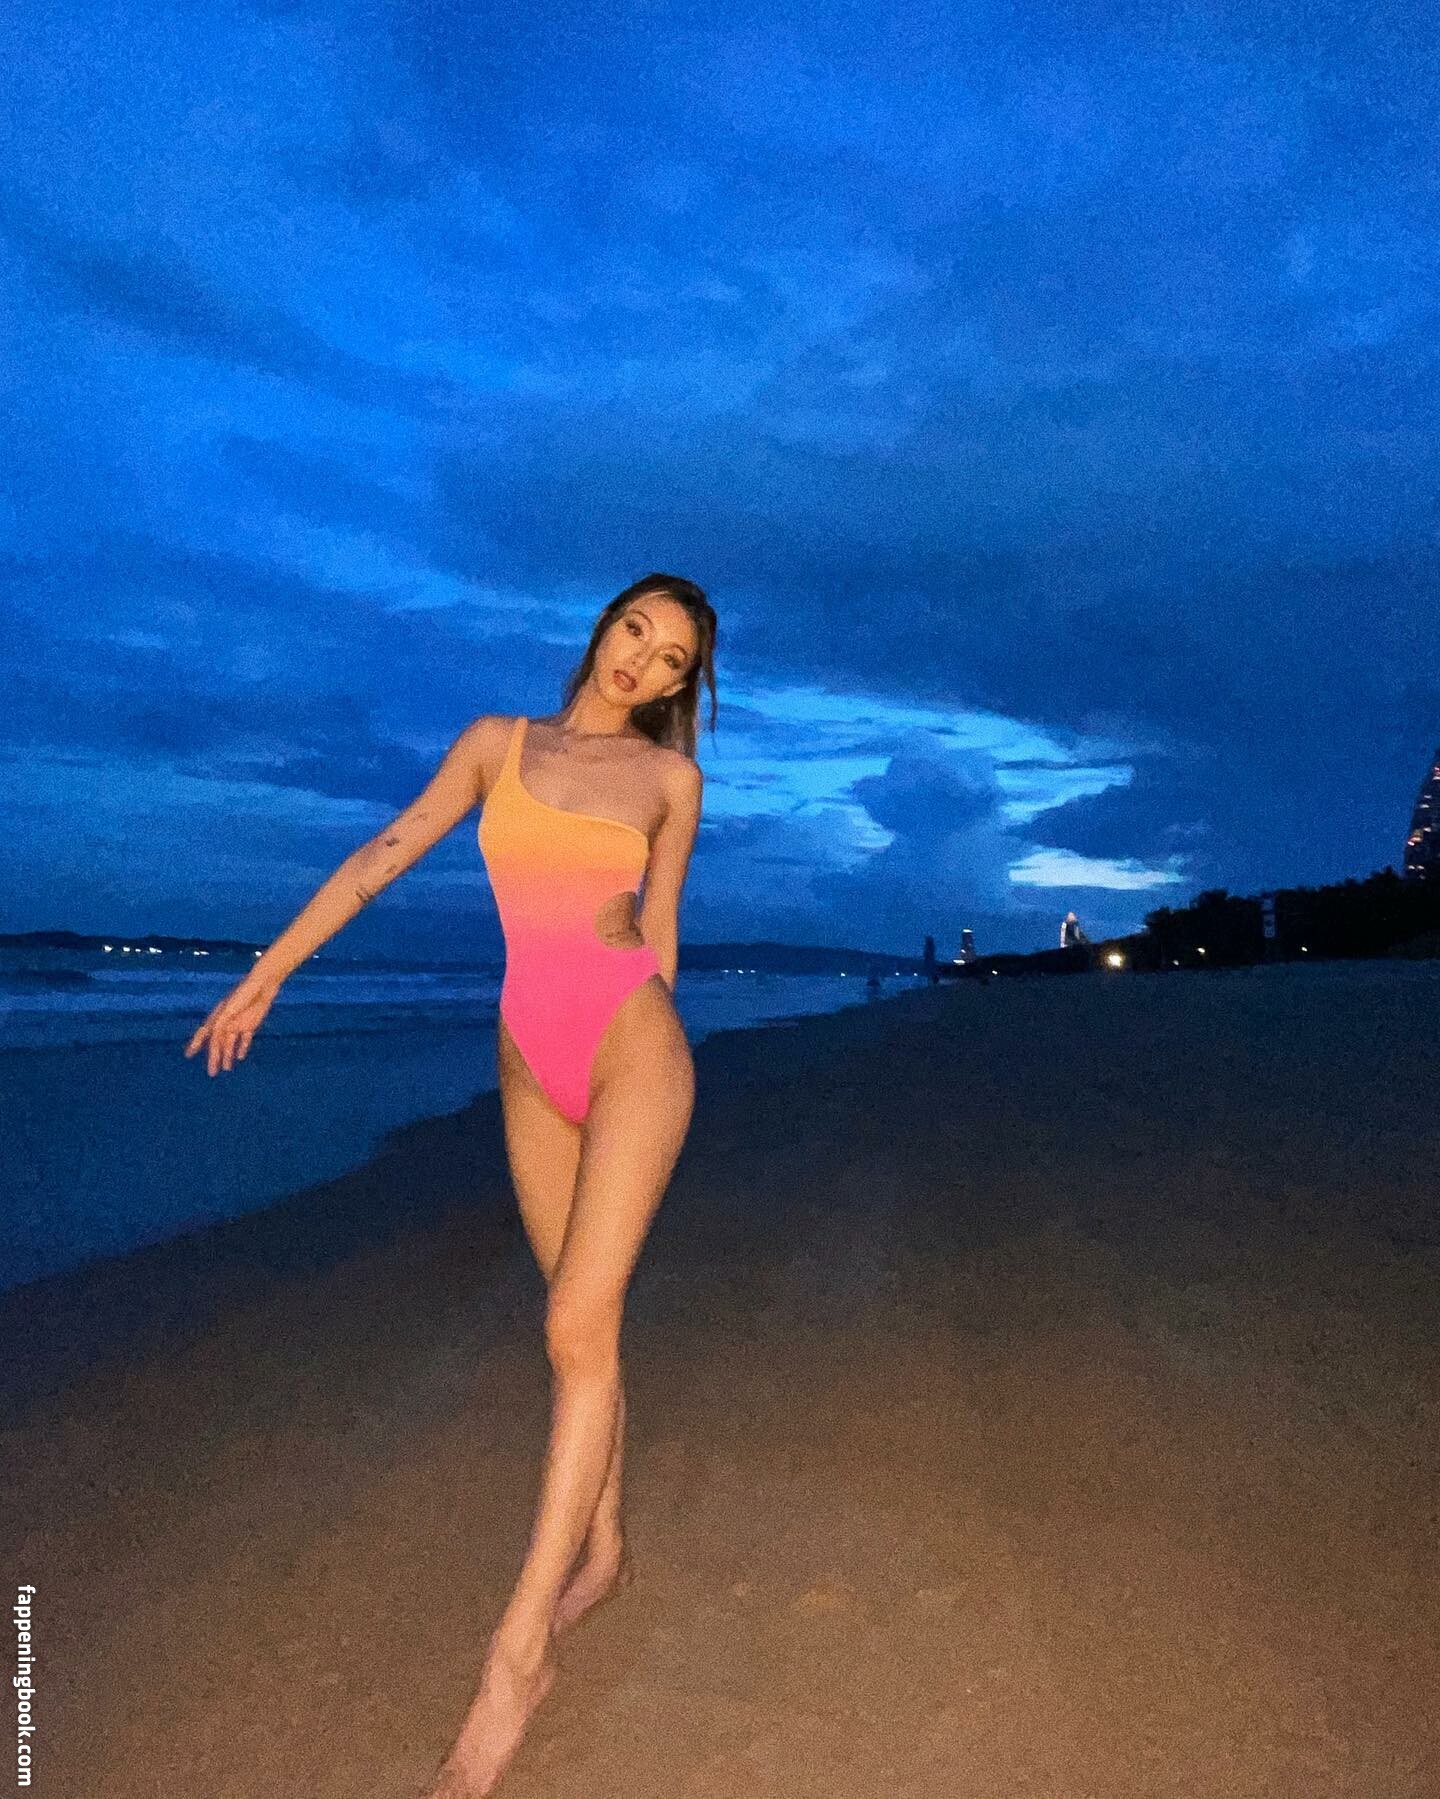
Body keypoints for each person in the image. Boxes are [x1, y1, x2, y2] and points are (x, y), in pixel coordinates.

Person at [185, 572, 716, 1796]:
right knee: (582, 1322)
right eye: (637, 630)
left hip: (632, 1041)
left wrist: (645, 1074)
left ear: (683, 688)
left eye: (673, 660)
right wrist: (267, 975)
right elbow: (380, 856)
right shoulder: (495, 744)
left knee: (575, 1322)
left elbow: (662, 934)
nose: (644, 660)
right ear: (603, 624)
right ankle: (608, 1543)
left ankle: (517, 1656)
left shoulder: (670, 779)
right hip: (527, 1049)